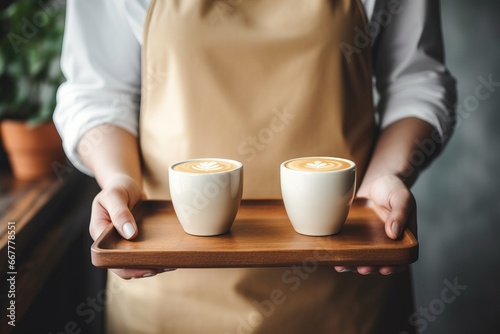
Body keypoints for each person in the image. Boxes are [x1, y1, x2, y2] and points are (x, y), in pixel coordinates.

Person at [54, 0, 456, 333]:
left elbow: (415, 84)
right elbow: (99, 94)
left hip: (349, 291)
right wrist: (120, 181)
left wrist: (387, 175)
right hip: (163, 290)